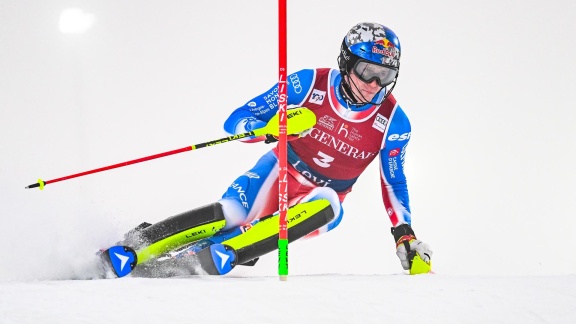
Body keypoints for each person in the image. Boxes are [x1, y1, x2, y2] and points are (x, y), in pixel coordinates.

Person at [119, 22, 433, 277]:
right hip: (278, 172)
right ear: (348, 61)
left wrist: (404, 234)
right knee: (231, 214)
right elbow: (237, 121)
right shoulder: (308, 84)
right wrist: (269, 129)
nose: (374, 84)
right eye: (367, 71)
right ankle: (136, 247)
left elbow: (393, 180)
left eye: (386, 76)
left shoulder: (393, 121)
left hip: (320, 201)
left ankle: (230, 251)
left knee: (330, 205)